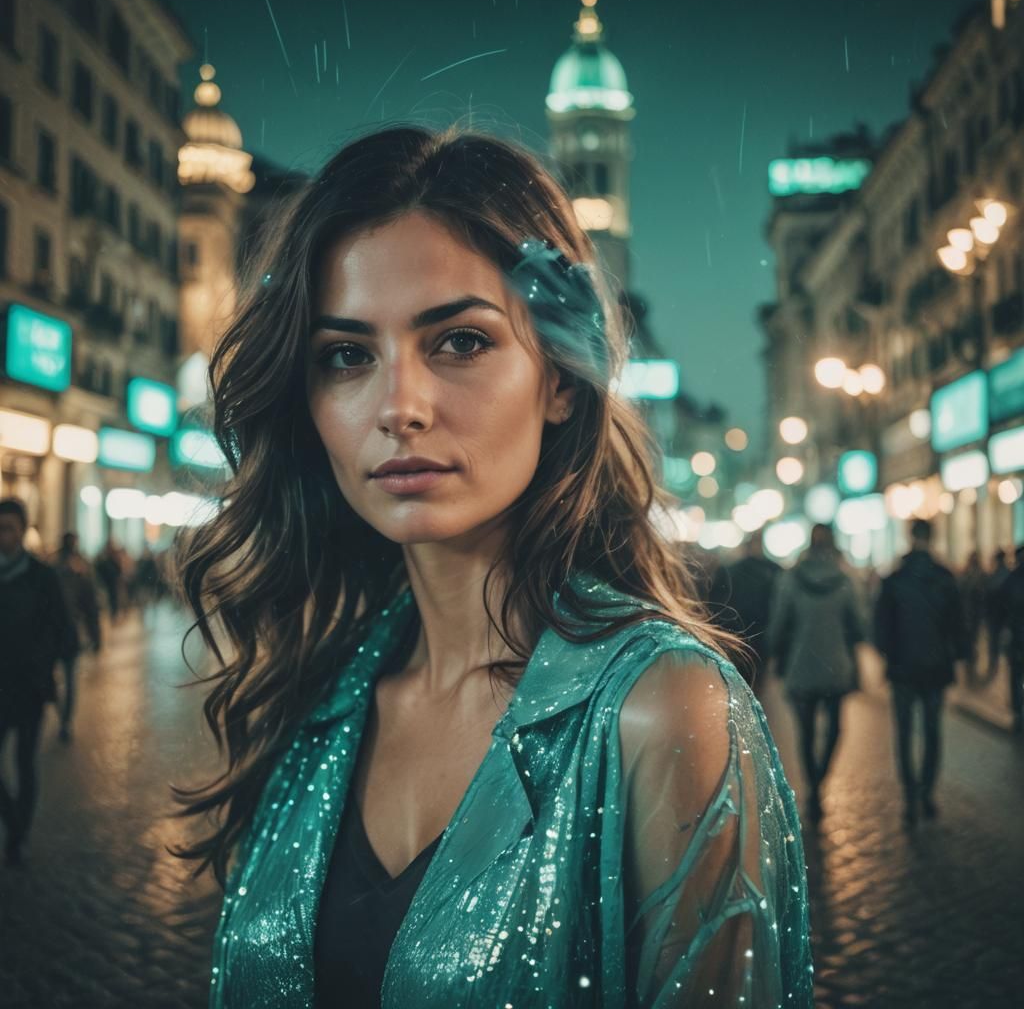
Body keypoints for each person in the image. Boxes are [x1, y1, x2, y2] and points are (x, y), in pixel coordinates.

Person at [166, 126, 813, 1008]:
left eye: (460, 342)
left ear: (559, 379)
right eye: (347, 355)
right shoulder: (318, 688)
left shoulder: (664, 710)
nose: (400, 407)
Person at [0, 498, 80, 865]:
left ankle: (20, 837)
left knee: (25, 761)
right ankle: (14, 821)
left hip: (29, 688)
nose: (3, 536)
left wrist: (50, 663)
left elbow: (63, 629)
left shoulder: (42, 576)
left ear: (22, 531)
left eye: (9, 528)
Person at [768, 523, 864, 825]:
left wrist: (771, 652)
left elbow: (778, 623)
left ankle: (813, 787)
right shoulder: (845, 579)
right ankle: (821, 778)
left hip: (802, 664)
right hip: (836, 664)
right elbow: (860, 625)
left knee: (806, 732)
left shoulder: (791, 579)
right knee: (835, 728)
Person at [874, 518, 966, 827]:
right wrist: (961, 655)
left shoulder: (894, 578)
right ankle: (927, 791)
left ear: (910, 537)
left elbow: (881, 628)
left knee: (904, 732)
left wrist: (889, 654)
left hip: (903, 669)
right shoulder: (944, 577)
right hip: (936, 668)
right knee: (931, 731)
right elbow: (958, 625)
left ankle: (910, 794)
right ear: (933, 537)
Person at [708, 529, 781, 696]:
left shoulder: (730, 571)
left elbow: (715, 605)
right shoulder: (773, 571)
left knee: (741, 677)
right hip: (761, 632)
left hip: (737, 633)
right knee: (758, 677)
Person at [51, 532, 101, 741]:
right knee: (69, 679)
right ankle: (65, 720)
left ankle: (63, 717)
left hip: (55, 633)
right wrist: (95, 635)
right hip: (67, 632)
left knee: (57, 679)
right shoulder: (80, 568)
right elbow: (90, 606)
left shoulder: (51, 567)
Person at [996, 545, 1024, 734]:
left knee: (1016, 676)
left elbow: (1002, 611)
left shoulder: (1011, 580)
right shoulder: (1011, 580)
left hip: (1016, 638)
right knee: (1015, 676)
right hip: (1016, 637)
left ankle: (1018, 712)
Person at [959, 551, 987, 673]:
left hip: (971, 612)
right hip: (971, 612)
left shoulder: (969, 575)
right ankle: (970, 656)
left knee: (972, 637)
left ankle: (970, 656)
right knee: (972, 637)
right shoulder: (976, 575)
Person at [985, 549, 1011, 672]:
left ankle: (994, 662)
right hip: (1005, 615)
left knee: (994, 641)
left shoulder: (994, 575)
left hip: (995, 615)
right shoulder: (1009, 574)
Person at [94, 538, 124, 622]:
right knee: (108, 602)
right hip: (105, 583)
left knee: (114, 600)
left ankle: (114, 617)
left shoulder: (114, 557)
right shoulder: (102, 558)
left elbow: (118, 570)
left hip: (112, 583)